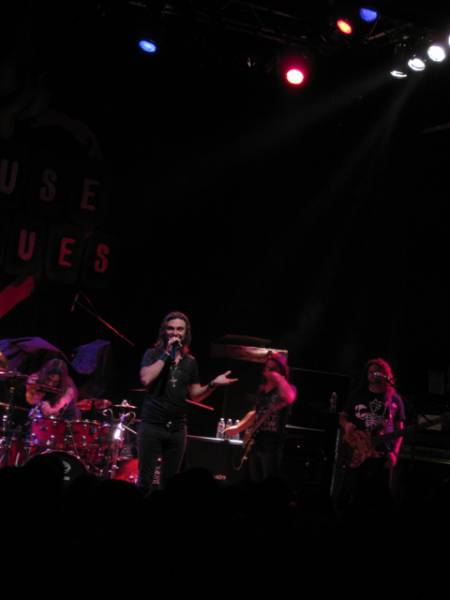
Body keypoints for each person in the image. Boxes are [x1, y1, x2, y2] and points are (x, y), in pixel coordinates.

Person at [138, 311, 238, 493]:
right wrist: (166, 354)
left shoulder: (190, 362)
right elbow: (146, 379)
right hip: (152, 424)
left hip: (177, 428)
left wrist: (213, 384)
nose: (175, 333)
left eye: (180, 329)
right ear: (164, 331)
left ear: (186, 333)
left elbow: (195, 395)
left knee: (171, 484)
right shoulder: (152, 354)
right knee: (145, 481)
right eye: (171, 328)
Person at [337, 357, 405, 510]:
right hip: (356, 451)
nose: (373, 374)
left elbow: (399, 429)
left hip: (380, 454)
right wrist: (347, 425)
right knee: (351, 493)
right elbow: (343, 416)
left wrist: (394, 453)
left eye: (376, 372)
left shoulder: (394, 399)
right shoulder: (357, 394)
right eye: (370, 372)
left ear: (385, 375)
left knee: (378, 498)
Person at [224, 351, 297, 482]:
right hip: (256, 441)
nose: (269, 371)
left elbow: (290, 397)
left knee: (268, 482)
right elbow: (255, 413)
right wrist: (238, 427)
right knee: (255, 481)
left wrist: (279, 378)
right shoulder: (262, 390)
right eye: (267, 368)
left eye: (273, 369)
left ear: (281, 371)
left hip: (272, 443)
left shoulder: (287, 389)